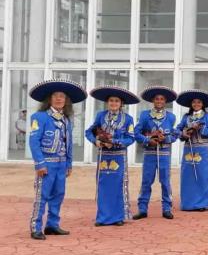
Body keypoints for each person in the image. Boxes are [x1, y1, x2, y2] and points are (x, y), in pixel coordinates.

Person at [27, 80, 87, 240]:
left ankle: (52, 225)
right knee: (42, 196)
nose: (59, 99)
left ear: (66, 100)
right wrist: (39, 163)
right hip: (46, 164)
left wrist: (69, 164)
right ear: (49, 99)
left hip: (61, 165)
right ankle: (35, 227)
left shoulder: (66, 120)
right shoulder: (39, 117)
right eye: (55, 96)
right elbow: (34, 142)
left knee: (59, 195)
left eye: (62, 96)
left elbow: (68, 145)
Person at [85, 86, 139, 226]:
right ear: (107, 102)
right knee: (103, 185)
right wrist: (95, 141)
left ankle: (117, 217)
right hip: (104, 155)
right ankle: (102, 217)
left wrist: (115, 142)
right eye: (111, 101)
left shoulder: (128, 119)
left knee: (117, 185)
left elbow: (131, 138)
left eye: (116, 101)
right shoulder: (100, 116)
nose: (113, 103)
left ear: (121, 103)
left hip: (119, 156)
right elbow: (88, 132)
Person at [133, 86, 178, 220]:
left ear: (165, 101)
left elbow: (175, 134)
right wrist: (147, 140)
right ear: (153, 100)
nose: (159, 101)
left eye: (162, 99)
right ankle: (142, 209)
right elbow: (136, 133)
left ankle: (167, 208)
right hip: (149, 153)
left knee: (165, 182)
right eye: (157, 99)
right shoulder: (144, 115)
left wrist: (167, 138)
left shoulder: (171, 116)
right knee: (146, 181)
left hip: (164, 153)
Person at [176, 90, 208, 211]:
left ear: (203, 104)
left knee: (202, 176)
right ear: (191, 104)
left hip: (202, 150)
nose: (196, 104)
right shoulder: (186, 117)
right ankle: (187, 203)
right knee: (187, 177)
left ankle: (202, 204)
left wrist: (200, 128)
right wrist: (185, 132)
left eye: (199, 102)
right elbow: (177, 130)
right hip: (189, 149)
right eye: (194, 102)